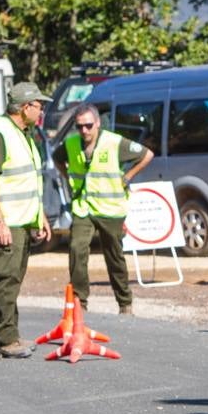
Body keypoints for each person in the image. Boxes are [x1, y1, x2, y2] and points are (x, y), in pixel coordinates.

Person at [0, 81, 53, 358]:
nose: (41, 109)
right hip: (8, 222)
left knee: (11, 280)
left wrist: (40, 216)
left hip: (23, 220)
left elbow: (28, 181)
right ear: (24, 107)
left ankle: (4, 337)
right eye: (38, 105)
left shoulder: (23, 133)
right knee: (6, 280)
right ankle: (7, 340)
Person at [56, 103, 153, 315]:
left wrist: (127, 177)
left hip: (110, 209)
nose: (84, 131)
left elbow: (147, 155)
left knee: (114, 256)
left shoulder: (114, 142)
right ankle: (80, 302)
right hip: (84, 207)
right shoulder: (71, 143)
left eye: (89, 126)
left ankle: (124, 302)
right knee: (76, 248)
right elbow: (57, 159)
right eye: (79, 126)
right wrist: (69, 179)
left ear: (98, 123)